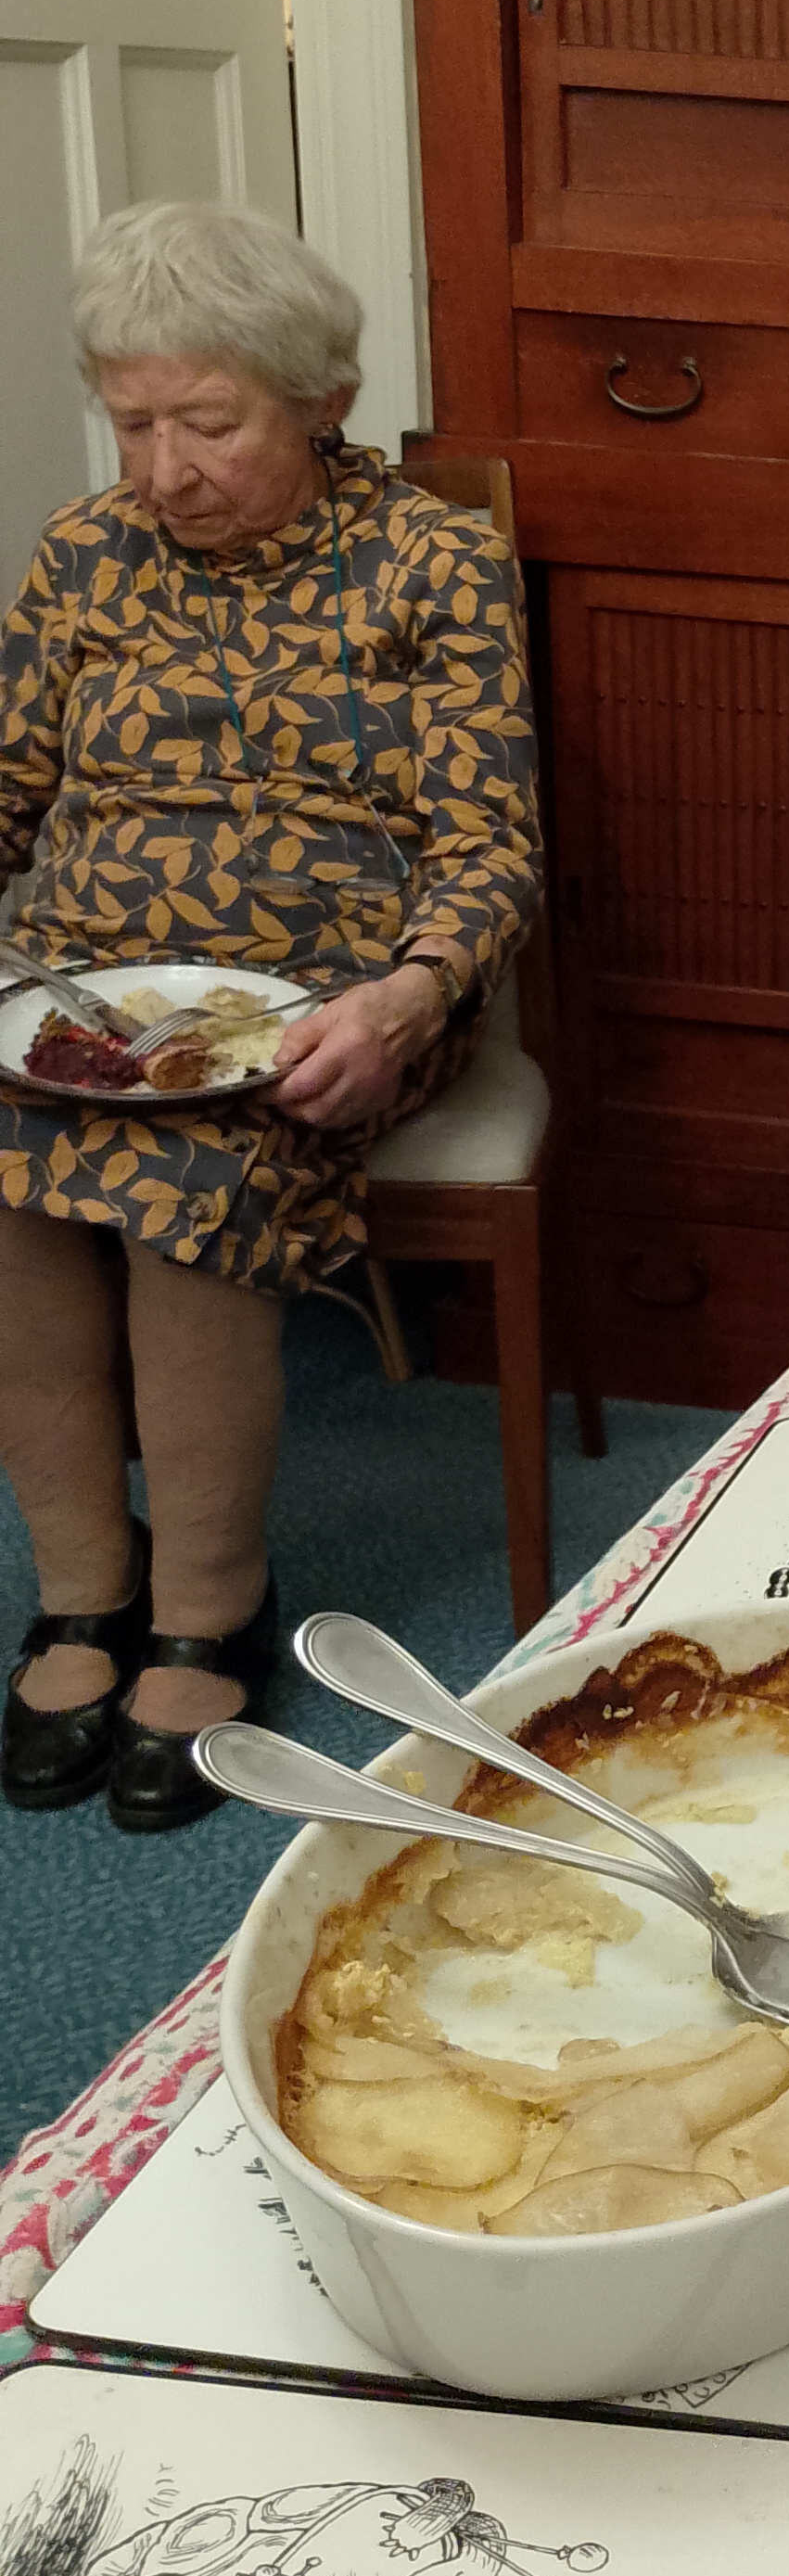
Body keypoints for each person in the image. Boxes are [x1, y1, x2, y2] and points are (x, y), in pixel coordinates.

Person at [0, 204, 541, 1831]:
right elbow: (11, 789)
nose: (165, 467)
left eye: (209, 423)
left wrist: (407, 996)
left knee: (184, 1179)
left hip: (336, 997)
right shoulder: (84, 555)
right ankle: (87, 1584)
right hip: (81, 989)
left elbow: (490, 843)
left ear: (318, 397)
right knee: (5, 1180)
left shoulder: (428, 560)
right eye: (136, 421)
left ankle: (208, 1604)